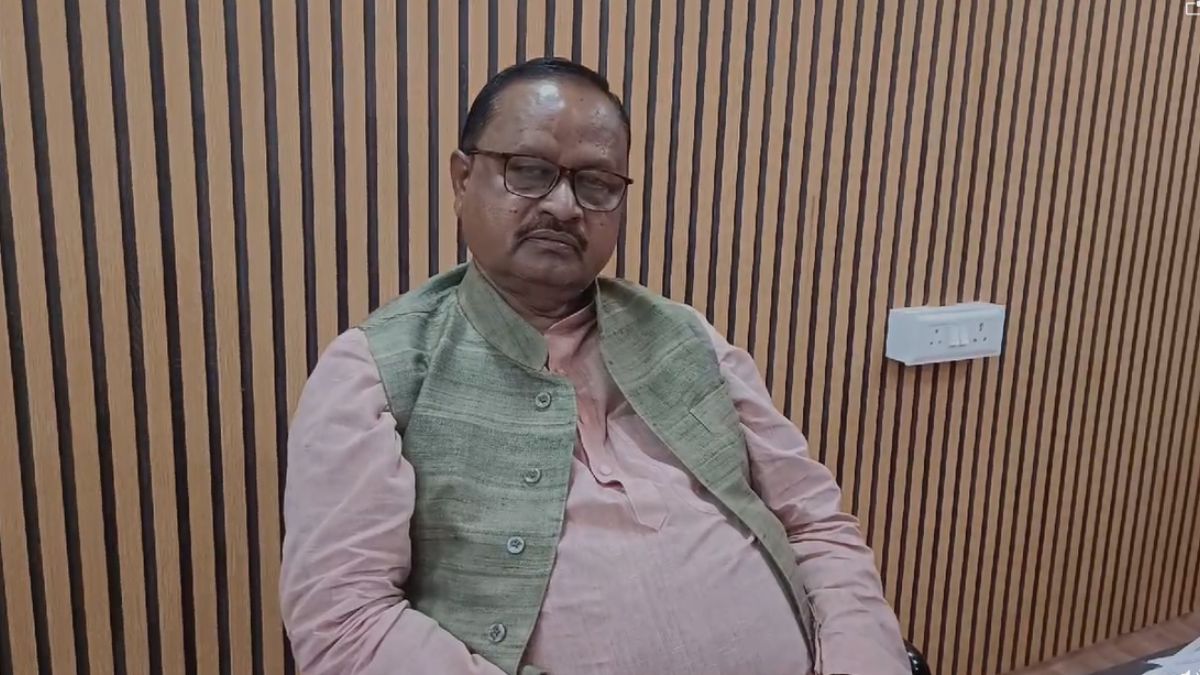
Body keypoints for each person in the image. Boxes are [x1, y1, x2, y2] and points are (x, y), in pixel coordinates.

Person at [280, 57, 909, 675]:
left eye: (597, 184)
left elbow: (815, 524)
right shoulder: (374, 369)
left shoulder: (686, 335)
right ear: (462, 180)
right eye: (529, 171)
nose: (563, 206)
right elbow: (345, 623)